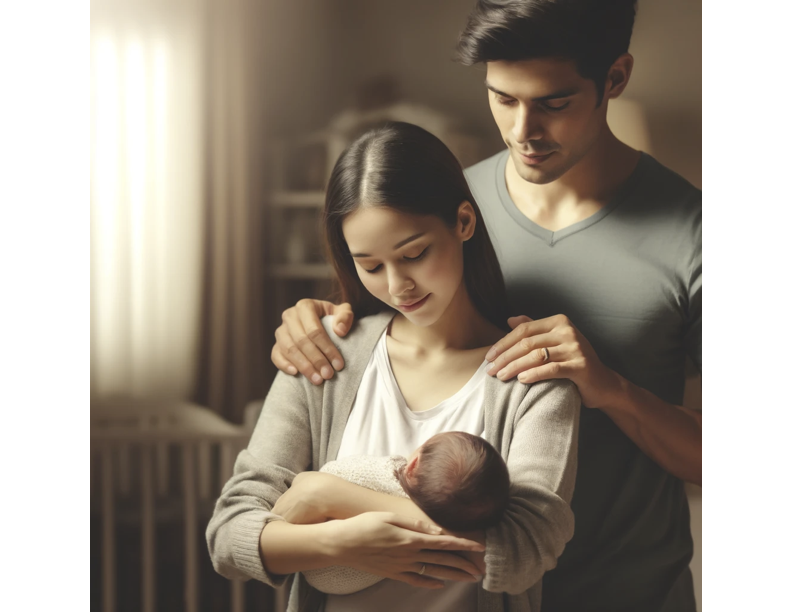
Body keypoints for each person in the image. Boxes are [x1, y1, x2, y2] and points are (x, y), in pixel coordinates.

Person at [269, 2, 702, 611]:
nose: (523, 130)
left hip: (629, 591)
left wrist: (612, 389)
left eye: (553, 103)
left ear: (616, 78)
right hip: (470, 588)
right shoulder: (443, 206)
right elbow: (374, 316)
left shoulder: (698, 234)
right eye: (502, 98)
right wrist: (309, 323)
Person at [207, 121, 581, 612]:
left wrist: (332, 497)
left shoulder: (532, 378)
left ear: (464, 222)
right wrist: (340, 544)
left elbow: (523, 552)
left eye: (414, 254)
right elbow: (230, 532)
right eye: (370, 265)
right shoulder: (324, 357)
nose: (398, 284)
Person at [303, 431, 511, 595]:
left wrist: (325, 494)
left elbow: (332, 474)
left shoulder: (386, 470)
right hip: (339, 584)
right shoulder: (438, 542)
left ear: (411, 466)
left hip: (307, 550)